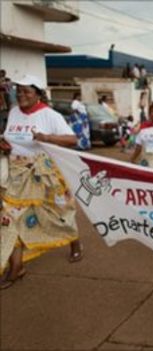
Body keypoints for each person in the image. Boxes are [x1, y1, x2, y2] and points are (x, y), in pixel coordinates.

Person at [0, 74, 82, 289]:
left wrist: (46, 138)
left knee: (60, 212)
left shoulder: (50, 115)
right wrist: (6, 145)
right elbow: (11, 138)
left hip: (43, 172)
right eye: (19, 90)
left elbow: (72, 139)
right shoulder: (14, 112)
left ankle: (74, 240)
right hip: (16, 173)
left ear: (38, 94)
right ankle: (16, 267)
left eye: (27, 91)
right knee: (10, 216)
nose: (21, 95)